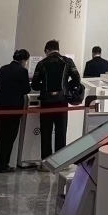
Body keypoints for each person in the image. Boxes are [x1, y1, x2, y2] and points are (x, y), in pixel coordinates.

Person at [31, 40, 81, 169]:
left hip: (46, 102)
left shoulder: (41, 63)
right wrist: (66, 87)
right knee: (61, 132)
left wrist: (44, 88)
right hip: (62, 102)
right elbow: (77, 79)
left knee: (46, 133)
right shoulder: (67, 61)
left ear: (47, 51)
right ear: (58, 49)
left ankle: (46, 164)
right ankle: (61, 163)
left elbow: (35, 85)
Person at [0, 48, 31, 173]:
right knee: (10, 136)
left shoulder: (3, 69)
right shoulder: (22, 71)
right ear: (23, 60)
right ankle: (4, 164)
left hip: (1, 105)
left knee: (1, 134)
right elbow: (26, 89)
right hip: (15, 107)